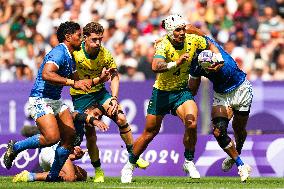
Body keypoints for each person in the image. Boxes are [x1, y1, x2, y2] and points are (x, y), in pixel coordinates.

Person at [120, 14, 222, 183]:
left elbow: (210, 43)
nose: (182, 32)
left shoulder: (192, 40)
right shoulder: (163, 45)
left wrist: (218, 59)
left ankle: (188, 161)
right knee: (149, 133)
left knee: (192, 123)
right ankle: (129, 166)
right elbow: (155, 66)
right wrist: (176, 63)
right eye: (178, 30)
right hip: (161, 93)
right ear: (169, 32)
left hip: (181, 92)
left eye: (183, 29)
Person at [3, 21, 93, 182]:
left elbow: (78, 81)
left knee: (69, 136)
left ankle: (52, 176)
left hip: (55, 99)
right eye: (79, 36)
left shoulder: (70, 56)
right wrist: (74, 83)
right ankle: (15, 147)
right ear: (68, 37)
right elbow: (46, 74)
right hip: (40, 98)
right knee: (52, 137)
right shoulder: (58, 53)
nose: (82, 39)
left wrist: (99, 78)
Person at [70, 22, 149, 182]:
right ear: (85, 38)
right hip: (81, 96)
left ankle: (133, 155)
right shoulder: (75, 54)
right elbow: (74, 79)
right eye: (94, 39)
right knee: (91, 135)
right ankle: (98, 170)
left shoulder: (105, 53)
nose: (98, 43)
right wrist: (98, 79)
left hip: (100, 93)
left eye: (100, 39)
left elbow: (114, 76)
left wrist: (113, 97)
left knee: (121, 118)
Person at [188, 32, 253, 181]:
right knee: (218, 131)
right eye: (211, 68)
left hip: (241, 90)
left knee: (239, 129)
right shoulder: (198, 65)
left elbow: (201, 34)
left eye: (216, 64)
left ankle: (237, 151)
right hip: (222, 95)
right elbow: (193, 88)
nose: (215, 67)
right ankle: (241, 165)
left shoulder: (224, 61)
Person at [13, 105, 108, 182]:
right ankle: (30, 176)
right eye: (95, 114)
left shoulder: (83, 130)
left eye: (99, 117)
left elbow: (66, 152)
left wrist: (76, 155)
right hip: (50, 152)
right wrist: (92, 120)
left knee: (82, 175)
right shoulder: (77, 115)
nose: (97, 118)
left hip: (58, 155)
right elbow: (73, 115)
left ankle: (54, 174)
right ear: (87, 111)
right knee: (70, 177)